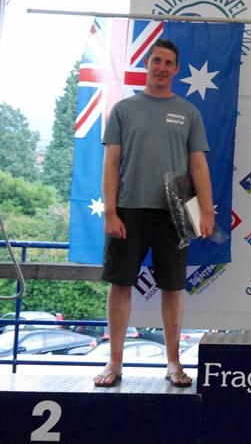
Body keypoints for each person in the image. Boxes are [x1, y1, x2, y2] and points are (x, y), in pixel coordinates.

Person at [93, 39, 215, 387]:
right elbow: (111, 163)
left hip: (174, 214)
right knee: (120, 285)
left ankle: (174, 363)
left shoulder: (189, 112)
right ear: (147, 64)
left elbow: (199, 165)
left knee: (173, 287)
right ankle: (114, 362)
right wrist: (110, 212)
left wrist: (206, 211)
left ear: (176, 70)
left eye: (168, 63)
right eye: (156, 61)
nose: (161, 67)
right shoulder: (123, 109)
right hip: (128, 211)